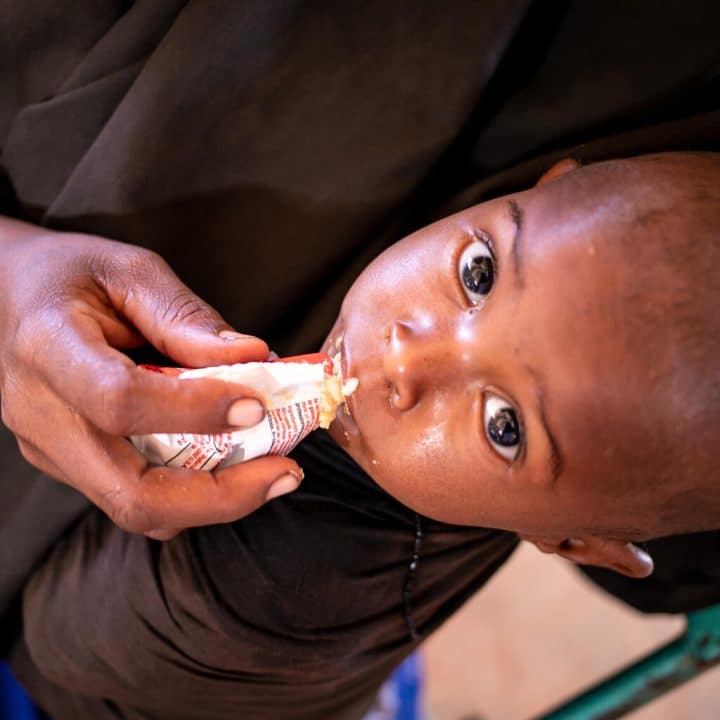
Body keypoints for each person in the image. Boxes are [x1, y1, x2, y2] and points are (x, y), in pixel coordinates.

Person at [1, 1, 719, 718]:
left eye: (506, 427)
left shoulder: (294, 586)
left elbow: (57, 662)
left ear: (573, 541)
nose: (408, 357)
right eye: (478, 274)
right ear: (543, 184)